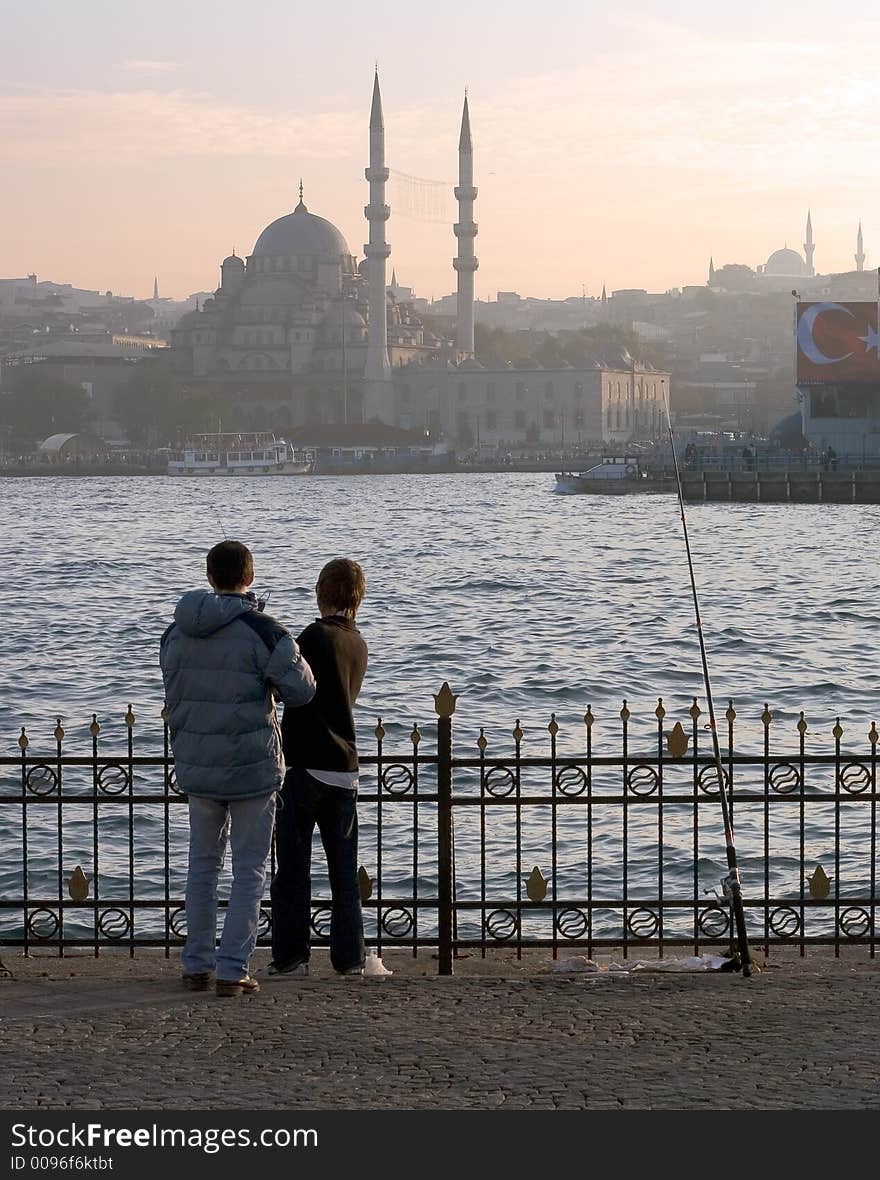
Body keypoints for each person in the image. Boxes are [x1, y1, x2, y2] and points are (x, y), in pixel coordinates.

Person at [160, 540, 316, 998]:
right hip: (252, 769)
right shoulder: (263, 630)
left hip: (199, 767)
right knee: (250, 870)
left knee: (202, 867)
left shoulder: (176, 631)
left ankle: (195, 964)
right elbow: (304, 690)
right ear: (249, 577)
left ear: (210, 577)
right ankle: (232, 969)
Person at [267, 558, 368, 978]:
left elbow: (292, 687)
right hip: (344, 767)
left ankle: (291, 957)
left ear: (321, 592)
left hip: (306, 764)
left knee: (293, 868)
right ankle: (350, 959)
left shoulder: (314, 636)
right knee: (344, 871)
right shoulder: (357, 642)